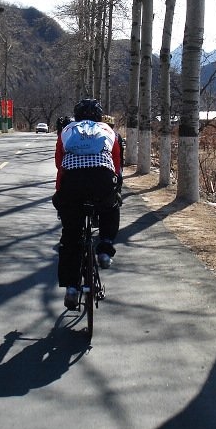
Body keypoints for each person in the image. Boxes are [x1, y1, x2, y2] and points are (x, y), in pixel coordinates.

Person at [53, 99, 123, 310]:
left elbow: (59, 164)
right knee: (111, 207)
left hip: (72, 185)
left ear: (76, 116)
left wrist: (61, 195)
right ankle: (105, 248)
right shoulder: (109, 131)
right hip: (102, 181)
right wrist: (114, 190)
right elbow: (116, 166)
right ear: (100, 117)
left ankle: (71, 289)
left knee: (70, 237)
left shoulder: (67, 131)